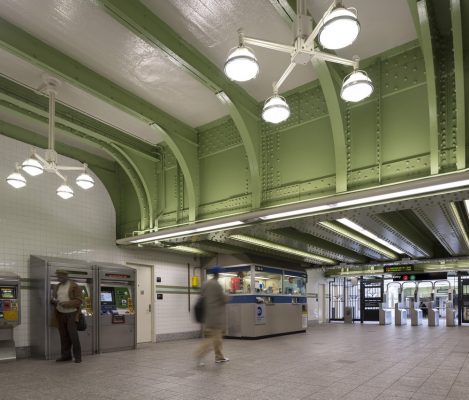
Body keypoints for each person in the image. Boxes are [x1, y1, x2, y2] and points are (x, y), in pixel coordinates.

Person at [195, 268, 229, 366]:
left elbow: (202, 296)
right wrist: (228, 296)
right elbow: (223, 299)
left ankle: (219, 357)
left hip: (207, 316)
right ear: (217, 275)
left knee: (217, 338)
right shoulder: (217, 285)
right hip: (215, 317)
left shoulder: (205, 284)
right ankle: (199, 355)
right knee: (212, 339)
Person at [51, 269, 83, 363]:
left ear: (66, 276)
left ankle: (78, 357)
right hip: (60, 313)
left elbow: (79, 300)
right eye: (58, 277)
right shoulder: (57, 286)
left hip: (72, 314)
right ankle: (66, 356)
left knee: (73, 336)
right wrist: (53, 301)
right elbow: (54, 298)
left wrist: (67, 304)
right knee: (63, 336)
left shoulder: (74, 286)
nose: (59, 278)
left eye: (60, 276)